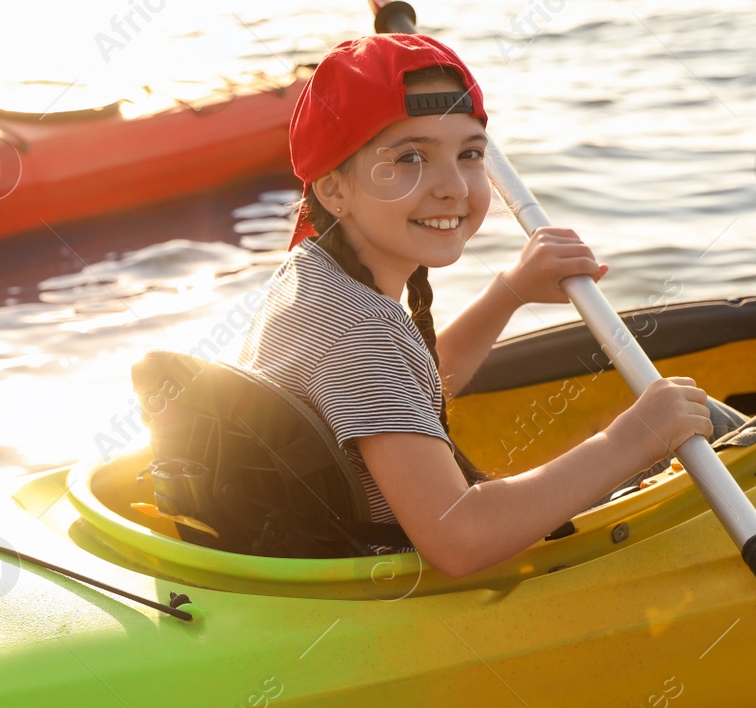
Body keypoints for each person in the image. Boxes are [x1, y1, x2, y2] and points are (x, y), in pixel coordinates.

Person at [238, 33, 713, 578]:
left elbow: (403, 391)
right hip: (398, 593)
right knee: (716, 429)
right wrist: (633, 438)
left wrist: (508, 291)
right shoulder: (361, 329)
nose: (453, 187)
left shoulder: (310, 280)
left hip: (327, 546)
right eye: (410, 157)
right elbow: (459, 538)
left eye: (470, 154)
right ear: (333, 189)